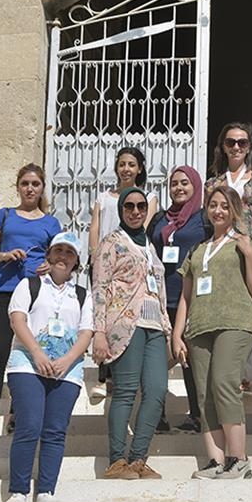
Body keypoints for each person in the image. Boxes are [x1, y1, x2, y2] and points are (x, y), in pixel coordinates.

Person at [172, 185, 252, 480]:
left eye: (225, 206)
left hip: (235, 323)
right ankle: (215, 461)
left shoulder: (247, 243)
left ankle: (238, 459)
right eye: (213, 205)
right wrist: (177, 334)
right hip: (199, 327)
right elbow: (185, 296)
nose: (218, 211)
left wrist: (250, 254)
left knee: (224, 383)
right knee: (204, 395)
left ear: (234, 211)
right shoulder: (198, 250)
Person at [4, 232, 93, 502]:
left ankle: (46, 489)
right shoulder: (29, 285)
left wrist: (67, 361)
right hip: (27, 366)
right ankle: (18, 489)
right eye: (58, 251)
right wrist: (38, 354)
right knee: (29, 425)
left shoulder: (81, 294)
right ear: (49, 255)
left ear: (76, 261)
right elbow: (18, 320)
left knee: (55, 430)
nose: (62, 257)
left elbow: (86, 331)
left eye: (69, 253)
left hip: (67, 371)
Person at [92, 187, 172, 480]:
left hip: (154, 326)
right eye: (129, 206)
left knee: (156, 390)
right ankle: (117, 460)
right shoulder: (111, 243)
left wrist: (167, 326)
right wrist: (98, 332)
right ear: (121, 209)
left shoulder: (149, 245)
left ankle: (138, 458)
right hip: (125, 325)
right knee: (125, 391)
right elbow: (99, 288)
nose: (136, 211)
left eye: (141, 206)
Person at [0, 163, 62, 437]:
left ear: (42, 188)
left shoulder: (51, 223)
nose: (30, 188)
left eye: (35, 184)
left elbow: (60, 258)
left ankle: (16, 412)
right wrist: (6, 255)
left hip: (35, 292)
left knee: (25, 351)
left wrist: (48, 267)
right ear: (18, 186)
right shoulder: (4, 215)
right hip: (4, 288)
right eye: (25, 183)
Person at [87, 146, 158, 400]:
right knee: (104, 316)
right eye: (122, 164)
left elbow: (142, 226)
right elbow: (94, 228)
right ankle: (104, 377)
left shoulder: (147, 197)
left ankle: (125, 377)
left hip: (130, 264)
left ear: (139, 168)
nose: (126, 169)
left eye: (131, 164)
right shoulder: (104, 198)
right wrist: (96, 255)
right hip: (105, 264)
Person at [147, 165, 212, 435]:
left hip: (191, 298)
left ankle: (198, 415)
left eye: (185, 183)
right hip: (161, 298)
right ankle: (156, 415)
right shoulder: (160, 218)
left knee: (190, 359)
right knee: (157, 360)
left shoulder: (204, 219)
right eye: (174, 183)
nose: (179, 188)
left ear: (195, 186)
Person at [204, 122, 252, 248]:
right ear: (224, 147)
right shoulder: (213, 184)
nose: (236, 147)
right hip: (222, 247)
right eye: (230, 142)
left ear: (249, 148)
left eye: (242, 143)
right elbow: (207, 220)